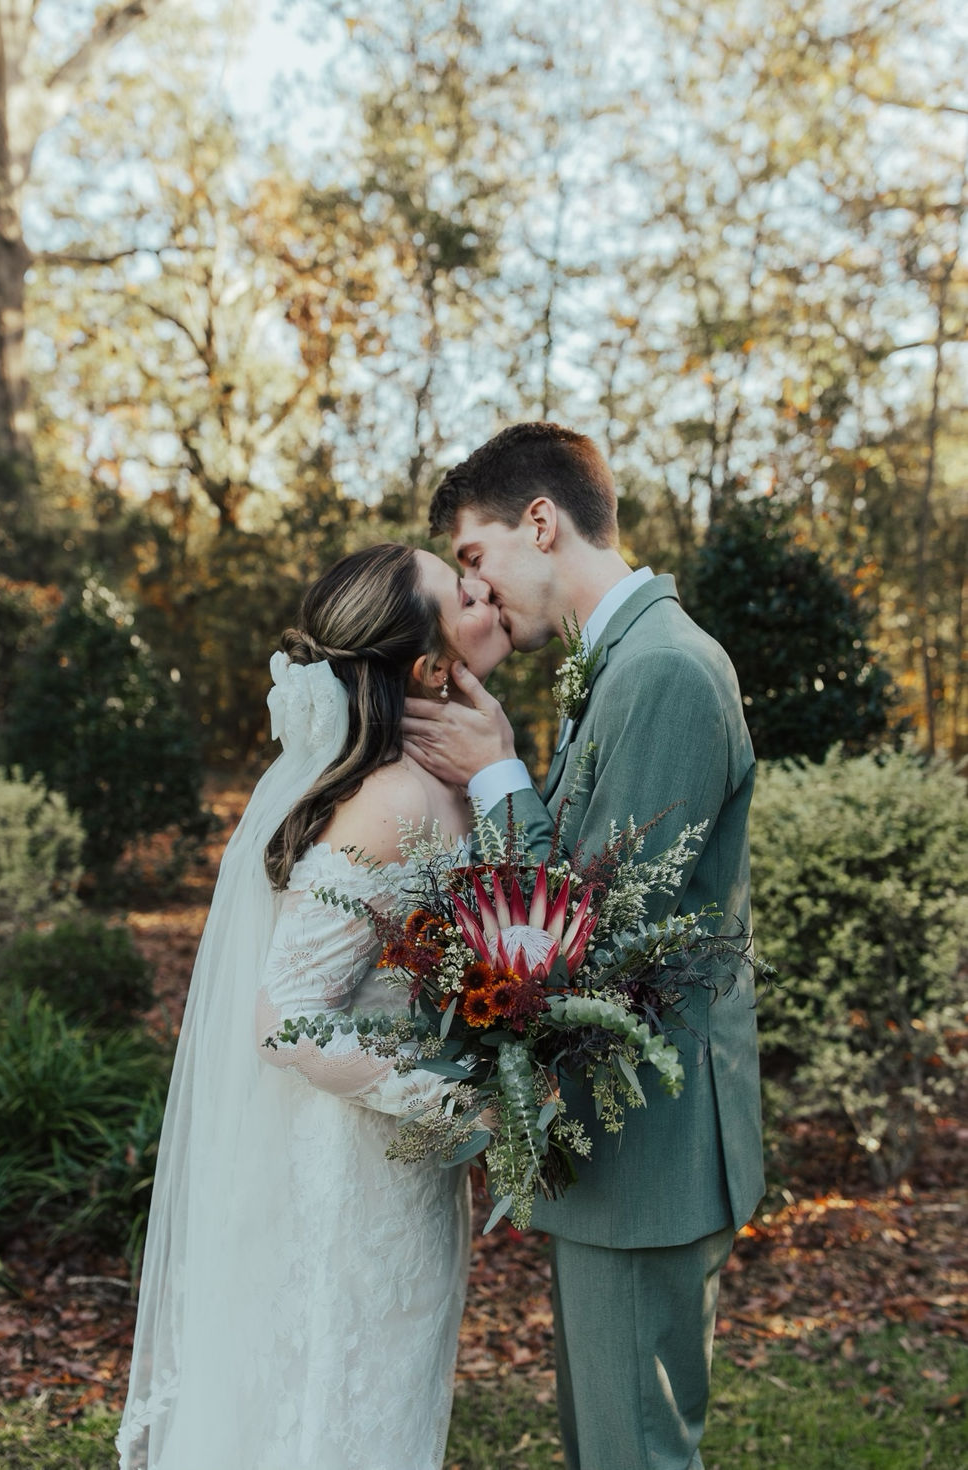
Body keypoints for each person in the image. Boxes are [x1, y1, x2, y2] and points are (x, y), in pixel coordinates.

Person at [403, 423, 764, 1470]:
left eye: (473, 557)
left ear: (540, 521)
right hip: (619, 1145)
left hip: (654, 1147)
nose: (473, 592)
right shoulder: (616, 665)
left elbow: (589, 941)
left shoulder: (661, 671)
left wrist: (498, 777)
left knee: (631, 1454)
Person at [117, 543, 511, 1470]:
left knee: (391, 1402)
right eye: (464, 593)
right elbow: (286, 1017)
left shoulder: (449, 782)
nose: (486, 591)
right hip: (348, 1180)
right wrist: (463, 1101)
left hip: (406, 1175)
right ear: (427, 667)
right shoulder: (389, 798)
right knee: (334, 1414)